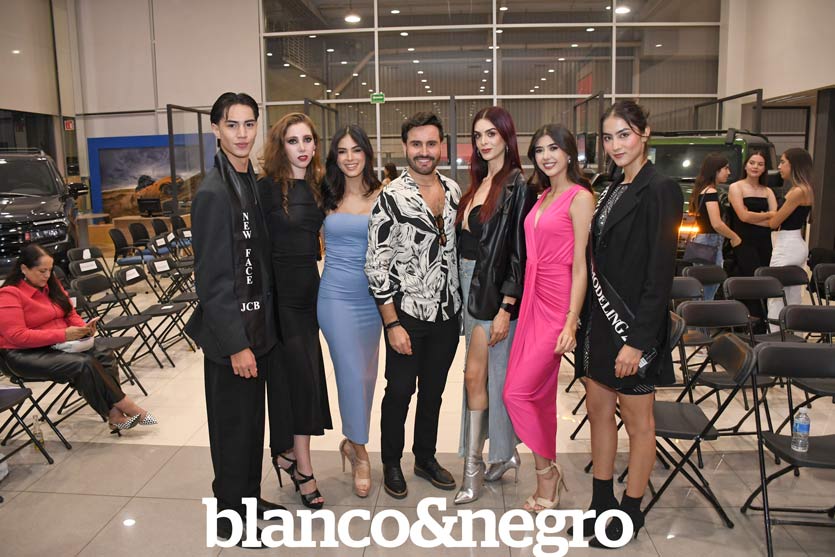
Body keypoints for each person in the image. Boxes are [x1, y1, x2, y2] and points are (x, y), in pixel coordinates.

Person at [575, 100, 682, 546]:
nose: (616, 145)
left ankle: (631, 512)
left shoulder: (661, 189)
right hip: (599, 325)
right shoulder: (613, 186)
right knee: (599, 415)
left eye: (624, 134)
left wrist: (637, 342)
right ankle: (601, 505)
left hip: (633, 328)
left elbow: (660, 273)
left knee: (639, 424)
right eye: (608, 137)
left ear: (645, 133)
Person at [183, 91, 284, 543]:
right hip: (232, 340)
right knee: (231, 430)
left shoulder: (248, 182)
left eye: (249, 124)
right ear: (216, 129)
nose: (242, 134)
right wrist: (238, 344)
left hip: (257, 328)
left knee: (251, 425)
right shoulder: (213, 192)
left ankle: (248, 499)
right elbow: (213, 280)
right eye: (232, 125)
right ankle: (229, 517)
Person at [365, 111, 461, 499]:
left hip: (447, 313)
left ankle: (425, 458)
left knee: (434, 392)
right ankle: (391, 462)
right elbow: (376, 265)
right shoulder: (390, 197)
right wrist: (392, 324)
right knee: (400, 390)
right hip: (406, 315)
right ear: (405, 147)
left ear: (442, 147)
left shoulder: (454, 191)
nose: (424, 151)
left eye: (431, 143)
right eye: (417, 144)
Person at [502, 124, 594, 512]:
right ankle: (547, 474)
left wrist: (571, 320)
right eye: (539, 150)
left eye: (553, 148)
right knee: (536, 394)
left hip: (558, 303)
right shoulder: (542, 195)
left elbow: (581, 266)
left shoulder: (580, 197)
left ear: (569, 152)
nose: (546, 156)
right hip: (532, 300)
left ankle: (547, 474)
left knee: (515, 392)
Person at [453, 106, 535, 505]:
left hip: (492, 293)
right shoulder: (477, 184)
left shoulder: (518, 185)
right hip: (468, 289)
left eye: (491, 134)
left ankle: (473, 469)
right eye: (478, 135)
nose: (484, 141)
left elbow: (519, 253)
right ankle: (504, 454)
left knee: (475, 377)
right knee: (490, 379)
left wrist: (506, 306)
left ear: (507, 137)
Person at [0, 243, 156, 434]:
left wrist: (83, 329)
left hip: (57, 344)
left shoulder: (51, 284)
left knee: (103, 353)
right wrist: (64, 334)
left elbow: (69, 313)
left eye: (50, 270)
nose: (47, 275)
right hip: (21, 355)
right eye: (42, 271)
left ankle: (115, 414)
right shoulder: (9, 294)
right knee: (84, 364)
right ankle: (127, 406)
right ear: (24, 269)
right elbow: (17, 336)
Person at [259, 112, 331, 509]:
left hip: (310, 296)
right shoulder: (267, 189)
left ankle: (286, 453)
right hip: (280, 300)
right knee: (298, 382)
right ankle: (302, 468)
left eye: (307, 140)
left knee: (304, 382)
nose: (302, 148)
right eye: (293, 141)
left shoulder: (319, 187)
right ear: (280, 146)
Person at [318, 125, 383, 498]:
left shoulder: (383, 195)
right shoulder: (324, 196)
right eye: (342, 151)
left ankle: (352, 441)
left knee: (368, 376)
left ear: (367, 153)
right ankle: (360, 454)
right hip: (335, 300)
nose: (350, 157)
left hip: (372, 301)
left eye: (356, 149)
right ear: (334, 157)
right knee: (353, 374)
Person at [766, 148, 814, 325]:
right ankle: (792, 333)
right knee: (792, 296)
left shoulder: (797, 192)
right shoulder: (806, 189)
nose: (779, 167)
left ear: (794, 165)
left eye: (783, 162)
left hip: (787, 244)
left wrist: (764, 216)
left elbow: (774, 222)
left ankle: (775, 335)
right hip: (796, 243)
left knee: (776, 295)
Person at [687, 153, 742, 299]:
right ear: (715, 170)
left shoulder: (701, 190)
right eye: (726, 168)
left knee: (700, 289)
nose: (728, 172)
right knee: (708, 288)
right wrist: (734, 237)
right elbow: (716, 223)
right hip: (709, 242)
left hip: (700, 242)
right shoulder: (711, 192)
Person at [728, 150, 777, 277]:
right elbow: (743, 217)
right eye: (752, 163)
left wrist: (751, 216)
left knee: (764, 277)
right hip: (743, 241)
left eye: (760, 164)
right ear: (745, 166)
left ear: (764, 169)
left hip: (765, 242)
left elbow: (775, 221)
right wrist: (767, 214)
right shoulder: (736, 187)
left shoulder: (768, 191)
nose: (755, 167)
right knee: (749, 277)